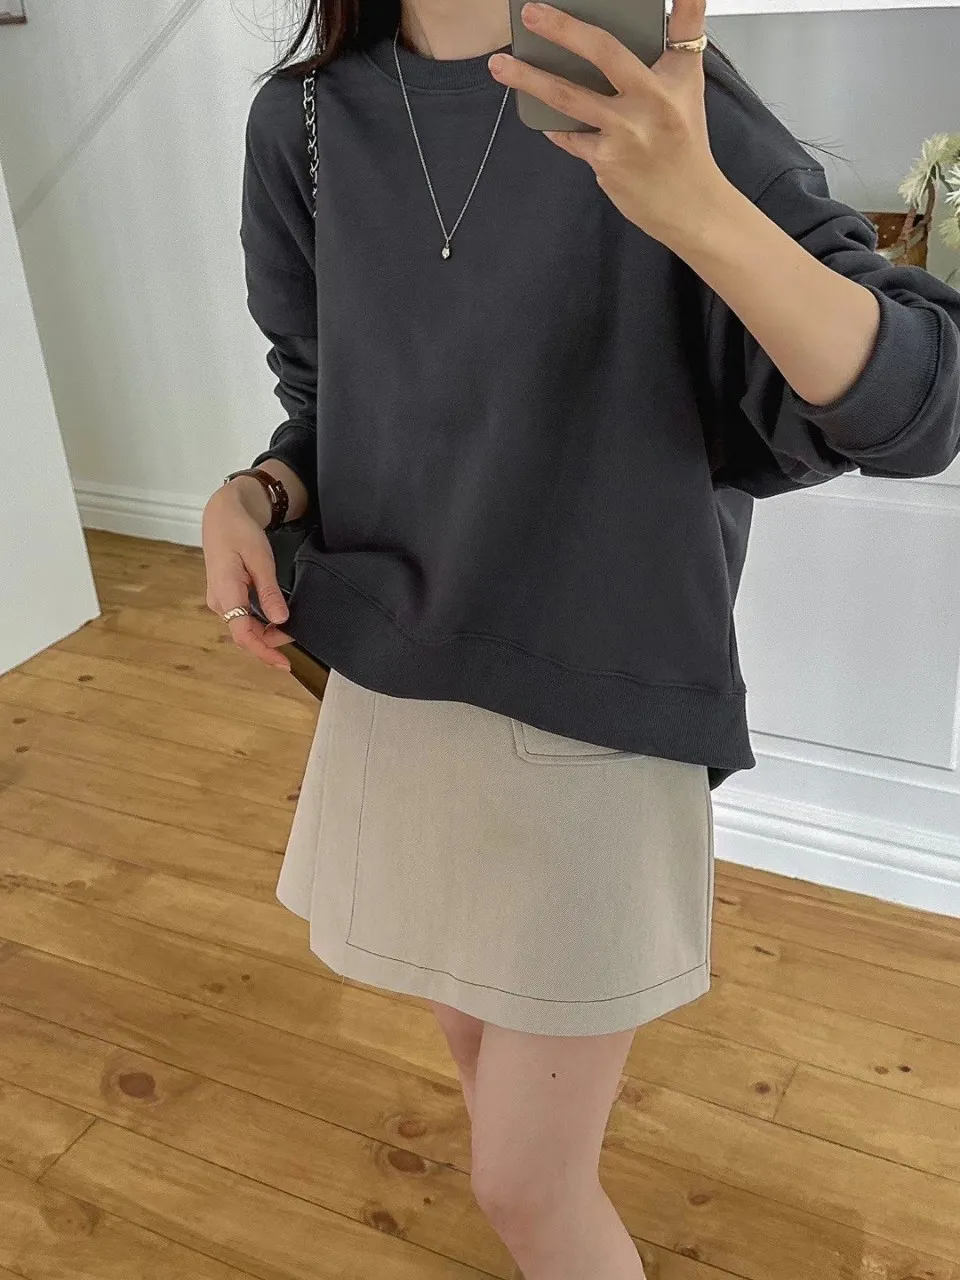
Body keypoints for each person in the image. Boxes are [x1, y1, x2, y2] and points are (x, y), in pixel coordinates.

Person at [200, 0, 960, 1275]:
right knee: (477, 1065)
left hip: (598, 701)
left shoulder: (650, 95)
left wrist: (700, 208)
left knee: (523, 1183)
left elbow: (920, 404)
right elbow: (327, 401)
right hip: (398, 688)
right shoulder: (305, 122)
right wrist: (258, 493)